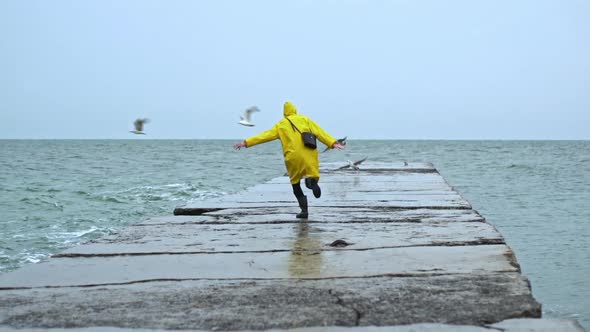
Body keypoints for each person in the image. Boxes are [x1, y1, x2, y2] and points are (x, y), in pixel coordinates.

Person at [234, 101, 345, 218]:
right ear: (295, 110)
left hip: (292, 158)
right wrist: (332, 143)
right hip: (309, 154)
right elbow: (320, 132)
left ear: (284, 113)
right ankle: (312, 183)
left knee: (295, 184)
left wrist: (246, 142)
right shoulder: (305, 119)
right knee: (312, 174)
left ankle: (304, 211)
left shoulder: (281, 125)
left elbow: (264, 136)